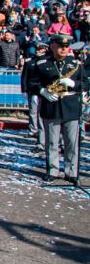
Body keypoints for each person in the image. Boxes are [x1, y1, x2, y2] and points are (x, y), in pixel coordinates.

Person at [27, 33, 85, 185]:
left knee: (72, 142)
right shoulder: (41, 63)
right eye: (61, 46)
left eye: (66, 47)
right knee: (52, 142)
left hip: (71, 105)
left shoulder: (75, 63)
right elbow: (32, 83)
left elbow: (85, 83)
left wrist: (74, 84)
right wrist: (42, 91)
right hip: (51, 105)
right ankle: (53, 169)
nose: (64, 49)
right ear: (53, 46)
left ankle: (71, 171)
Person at [21, 42, 48, 152]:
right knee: (33, 112)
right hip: (33, 91)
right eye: (37, 49)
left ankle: (42, 141)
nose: (38, 50)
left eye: (40, 49)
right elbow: (25, 77)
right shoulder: (29, 61)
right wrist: (24, 90)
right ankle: (33, 130)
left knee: (42, 117)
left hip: (44, 92)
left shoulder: (48, 61)